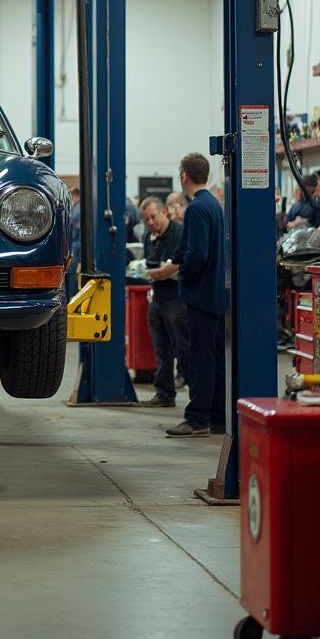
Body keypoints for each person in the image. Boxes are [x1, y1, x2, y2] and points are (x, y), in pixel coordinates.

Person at [151, 154, 225, 437]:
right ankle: (217, 416)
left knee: (200, 358)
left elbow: (198, 254)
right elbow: (194, 248)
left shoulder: (195, 209)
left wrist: (180, 273)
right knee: (215, 359)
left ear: (184, 176)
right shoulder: (214, 205)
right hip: (215, 296)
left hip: (200, 296)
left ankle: (197, 419)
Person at [139, 196, 190, 407]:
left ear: (164, 212)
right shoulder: (147, 237)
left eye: (153, 217)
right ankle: (164, 393)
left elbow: (176, 267)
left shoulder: (178, 233)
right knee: (161, 349)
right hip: (157, 297)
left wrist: (158, 272)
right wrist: (155, 272)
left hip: (175, 299)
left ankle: (195, 392)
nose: (150, 222)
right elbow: (151, 267)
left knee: (183, 348)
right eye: (146, 219)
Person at [66, 187, 82, 298]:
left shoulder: (76, 211)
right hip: (75, 248)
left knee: (72, 281)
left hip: (75, 250)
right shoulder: (78, 210)